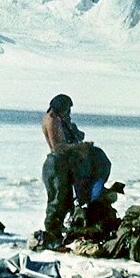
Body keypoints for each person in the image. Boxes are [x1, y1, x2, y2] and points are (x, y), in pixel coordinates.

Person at [41, 93, 91, 246]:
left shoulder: (55, 119)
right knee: (57, 199)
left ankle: (57, 229)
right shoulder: (52, 120)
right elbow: (58, 146)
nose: (68, 112)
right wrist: (80, 147)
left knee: (63, 197)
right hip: (57, 163)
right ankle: (52, 231)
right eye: (67, 109)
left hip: (59, 163)